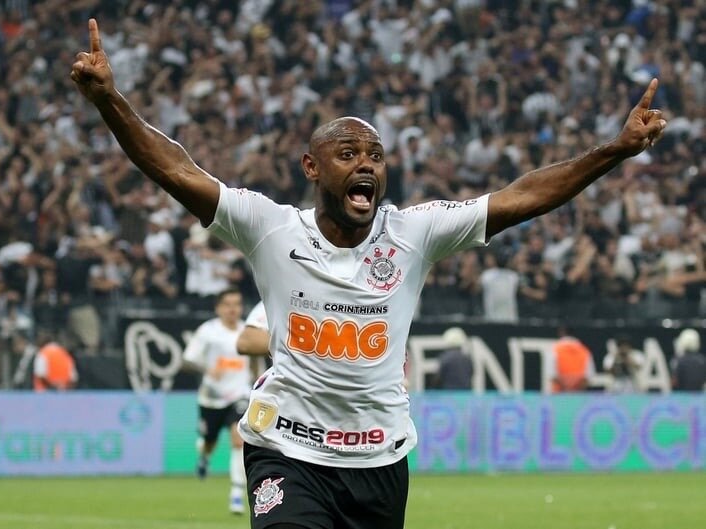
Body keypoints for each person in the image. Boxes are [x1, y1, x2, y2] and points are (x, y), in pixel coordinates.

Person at [71, 18, 666, 529]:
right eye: (349, 154)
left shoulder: (415, 233)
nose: (367, 165)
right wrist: (109, 102)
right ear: (312, 167)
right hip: (286, 449)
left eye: (376, 156)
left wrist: (613, 150)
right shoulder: (269, 227)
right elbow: (178, 171)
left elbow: (522, 197)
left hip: (379, 460)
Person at [181, 287, 250, 514]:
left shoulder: (247, 331)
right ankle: (204, 456)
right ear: (218, 308)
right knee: (209, 441)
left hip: (240, 394)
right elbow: (187, 360)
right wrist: (208, 369)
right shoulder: (208, 331)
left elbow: (256, 361)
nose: (233, 309)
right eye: (227, 304)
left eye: (237, 304)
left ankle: (236, 494)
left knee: (239, 439)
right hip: (212, 397)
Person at [547, 326, 596, 393]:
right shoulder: (584, 351)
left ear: (561, 332)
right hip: (578, 396)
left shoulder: (554, 350)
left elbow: (552, 375)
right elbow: (587, 377)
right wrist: (573, 391)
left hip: (558, 396)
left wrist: (566, 389)